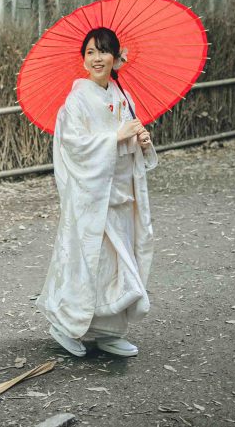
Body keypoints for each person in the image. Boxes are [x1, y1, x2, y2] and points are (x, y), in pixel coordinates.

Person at [36, 27, 158, 358]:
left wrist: (140, 143)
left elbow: (128, 142)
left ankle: (108, 332)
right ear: (83, 59)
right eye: (90, 52)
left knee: (117, 264)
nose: (96, 58)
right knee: (90, 261)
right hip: (92, 198)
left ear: (117, 58)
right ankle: (66, 324)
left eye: (103, 51)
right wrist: (115, 137)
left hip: (120, 195)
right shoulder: (77, 99)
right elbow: (73, 147)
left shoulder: (123, 96)